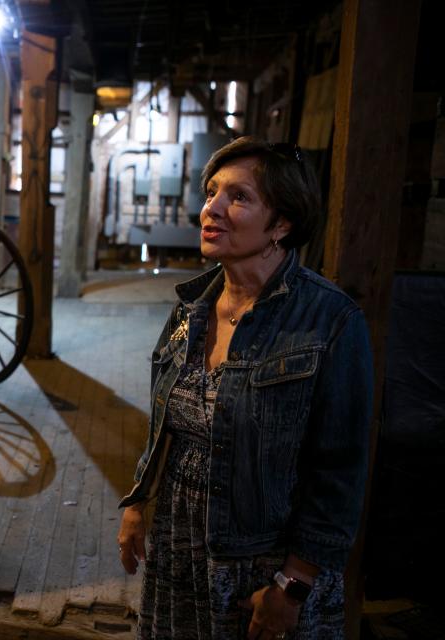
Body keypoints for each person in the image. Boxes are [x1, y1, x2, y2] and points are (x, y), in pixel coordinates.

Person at [117, 137, 373, 639]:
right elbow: (166, 424)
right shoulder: (190, 308)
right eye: (212, 192)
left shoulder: (331, 322)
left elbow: (339, 475)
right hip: (179, 547)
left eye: (238, 197)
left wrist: (292, 586)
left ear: (282, 224)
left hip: (263, 566)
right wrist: (136, 501)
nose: (210, 209)